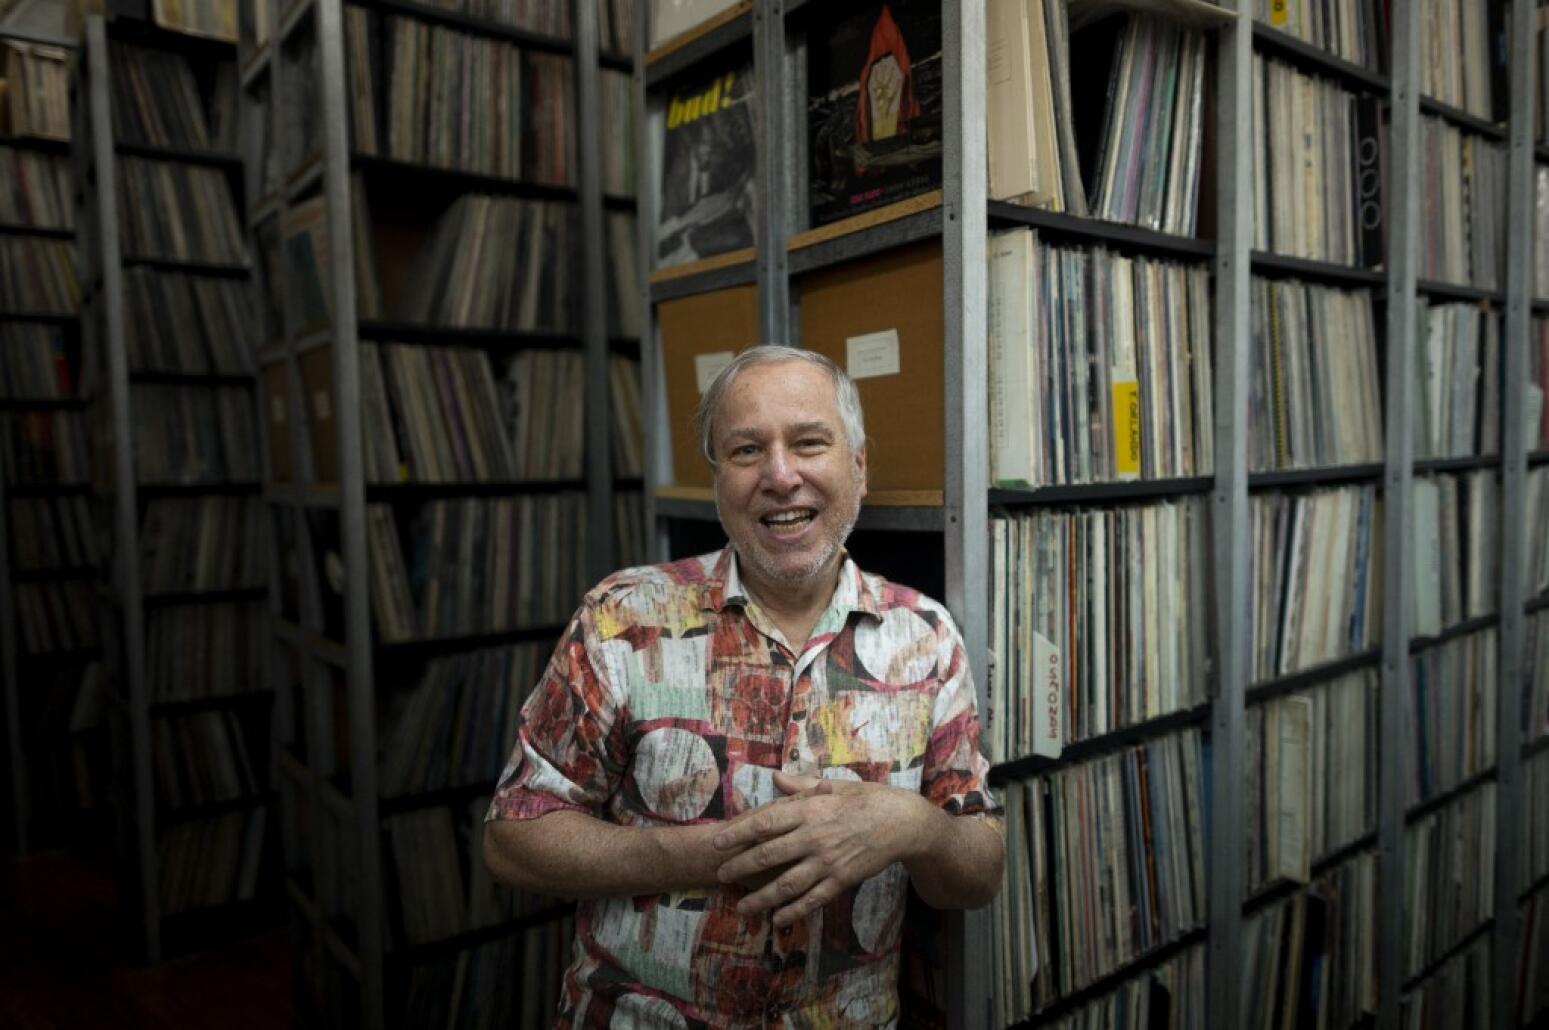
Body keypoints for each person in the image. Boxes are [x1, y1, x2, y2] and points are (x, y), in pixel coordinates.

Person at [484, 344, 1003, 1027]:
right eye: (746, 450)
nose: (780, 475)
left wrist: (912, 826)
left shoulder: (926, 636)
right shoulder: (621, 620)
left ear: (859, 465)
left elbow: (977, 875)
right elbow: (512, 839)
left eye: (809, 442)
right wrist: (706, 852)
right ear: (717, 479)